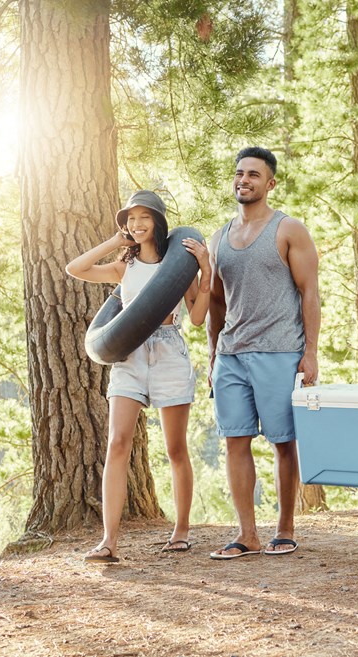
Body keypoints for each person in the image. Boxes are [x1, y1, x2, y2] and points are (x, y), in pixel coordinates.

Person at [66, 190, 211, 563]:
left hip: (168, 352)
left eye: (144, 217)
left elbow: (196, 318)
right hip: (129, 356)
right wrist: (114, 241)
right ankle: (109, 540)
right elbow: (75, 269)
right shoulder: (123, 267)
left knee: (176, 449)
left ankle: (180, 531)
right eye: (130, 218)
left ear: (159, 221)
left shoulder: (179, 266)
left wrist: (205, 270)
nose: (136, 224)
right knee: (118, 442)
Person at [207, 146, 320, 560]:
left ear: (270, 183)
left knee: (282, 442)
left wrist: (310, 352)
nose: (244, 180)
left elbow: (310, 292)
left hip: (279, 351)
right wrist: (213, 355)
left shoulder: (289, 230)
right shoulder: (219, 237)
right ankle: (247, 533)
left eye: (254, 174)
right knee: (234, 441)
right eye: (239, 173)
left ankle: (285, 528)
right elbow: (216, 303)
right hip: (231, 354)